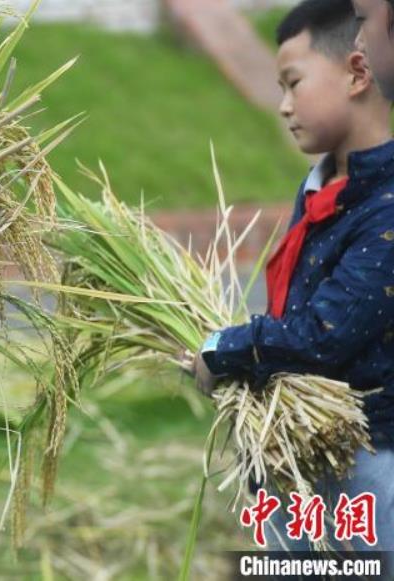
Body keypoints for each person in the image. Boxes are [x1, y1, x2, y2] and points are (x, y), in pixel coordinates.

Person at [191, 0, 394, 562]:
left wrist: (222, 348)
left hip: (368, 466)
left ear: (357, 73)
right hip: (298, 463)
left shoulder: (386, 206)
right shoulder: (323, 187)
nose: (283, 106)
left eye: (294, 83)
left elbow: (324, 335)